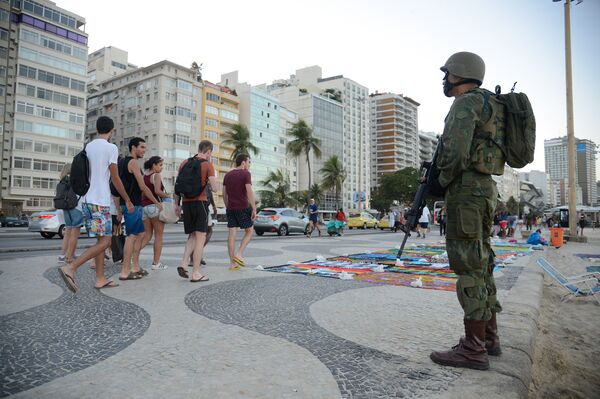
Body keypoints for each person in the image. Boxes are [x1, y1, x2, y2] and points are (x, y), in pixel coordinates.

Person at [429, 52, 503, 371]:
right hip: (486, 189)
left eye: (448, 74)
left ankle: (473, 348)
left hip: (466, 191)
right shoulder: (492, 104)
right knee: (482, 260)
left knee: (469, 265)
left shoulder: (465, 103)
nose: (445, 80)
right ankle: (489, 337)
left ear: (461, 74)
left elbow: (456, 151)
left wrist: (439, 180)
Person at [58, 116, 134, 292]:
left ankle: (100, 278)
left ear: (97, 129)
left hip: (86, 199)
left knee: (101, 239)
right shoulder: (111, 148)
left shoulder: (88, 146)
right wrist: (127, 199)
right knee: (106, 242)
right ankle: (71, 267)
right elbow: (115, 177)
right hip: (100, 201)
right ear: (111, 131)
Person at [117, 138, 163, 281]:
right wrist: (156, 202)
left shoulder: (122, 162)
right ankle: (125, 271)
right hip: (133, 205)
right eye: (142, 147)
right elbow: (142, 187)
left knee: (141, 234)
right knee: (132, 236)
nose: (144, 150)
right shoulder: (133, 162)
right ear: (133, 147)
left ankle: (135, 266)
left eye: (145, 147)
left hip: (130, 204)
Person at [174, 140, 217, 282]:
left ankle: (184, 264)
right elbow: (215, 188)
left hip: (186, 203)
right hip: (200, 202)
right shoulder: (207, 165)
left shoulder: (184, 163)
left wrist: (177, 205)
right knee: (200, 237)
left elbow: (178, 185)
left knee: (192, 235)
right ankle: (196, 273)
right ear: (209, 151)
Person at [222, 154, 256, 270]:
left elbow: (224, 194)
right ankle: (239, 254)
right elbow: (249, 191)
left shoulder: (227, 175)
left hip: (231, 208)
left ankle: (233, 263)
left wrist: (228, 206)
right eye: (249, 162)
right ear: (243, 162)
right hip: (242, 207)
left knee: (232, 234)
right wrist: (254, 208)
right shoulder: (246, 173)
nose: (249, 165)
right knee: (250, 231)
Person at [139, 156, 169, 270]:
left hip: (144, 208)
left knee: (147, 235)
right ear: (154, 165)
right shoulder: (156, 175)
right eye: (160, 165)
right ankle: (156, 263)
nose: (161, 167)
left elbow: (142, 193)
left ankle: (132, 256)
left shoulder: (144, 176)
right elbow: (157, 191)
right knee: (159, 236)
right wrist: (168, 196)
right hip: (155, 207)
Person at [56, 164, 84, 264]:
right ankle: (70, 255)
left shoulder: (61, 181)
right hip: (76, 207)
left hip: (65, 208)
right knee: (75, 233)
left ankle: (62, 255)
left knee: (68, 232)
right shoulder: (75, 180)